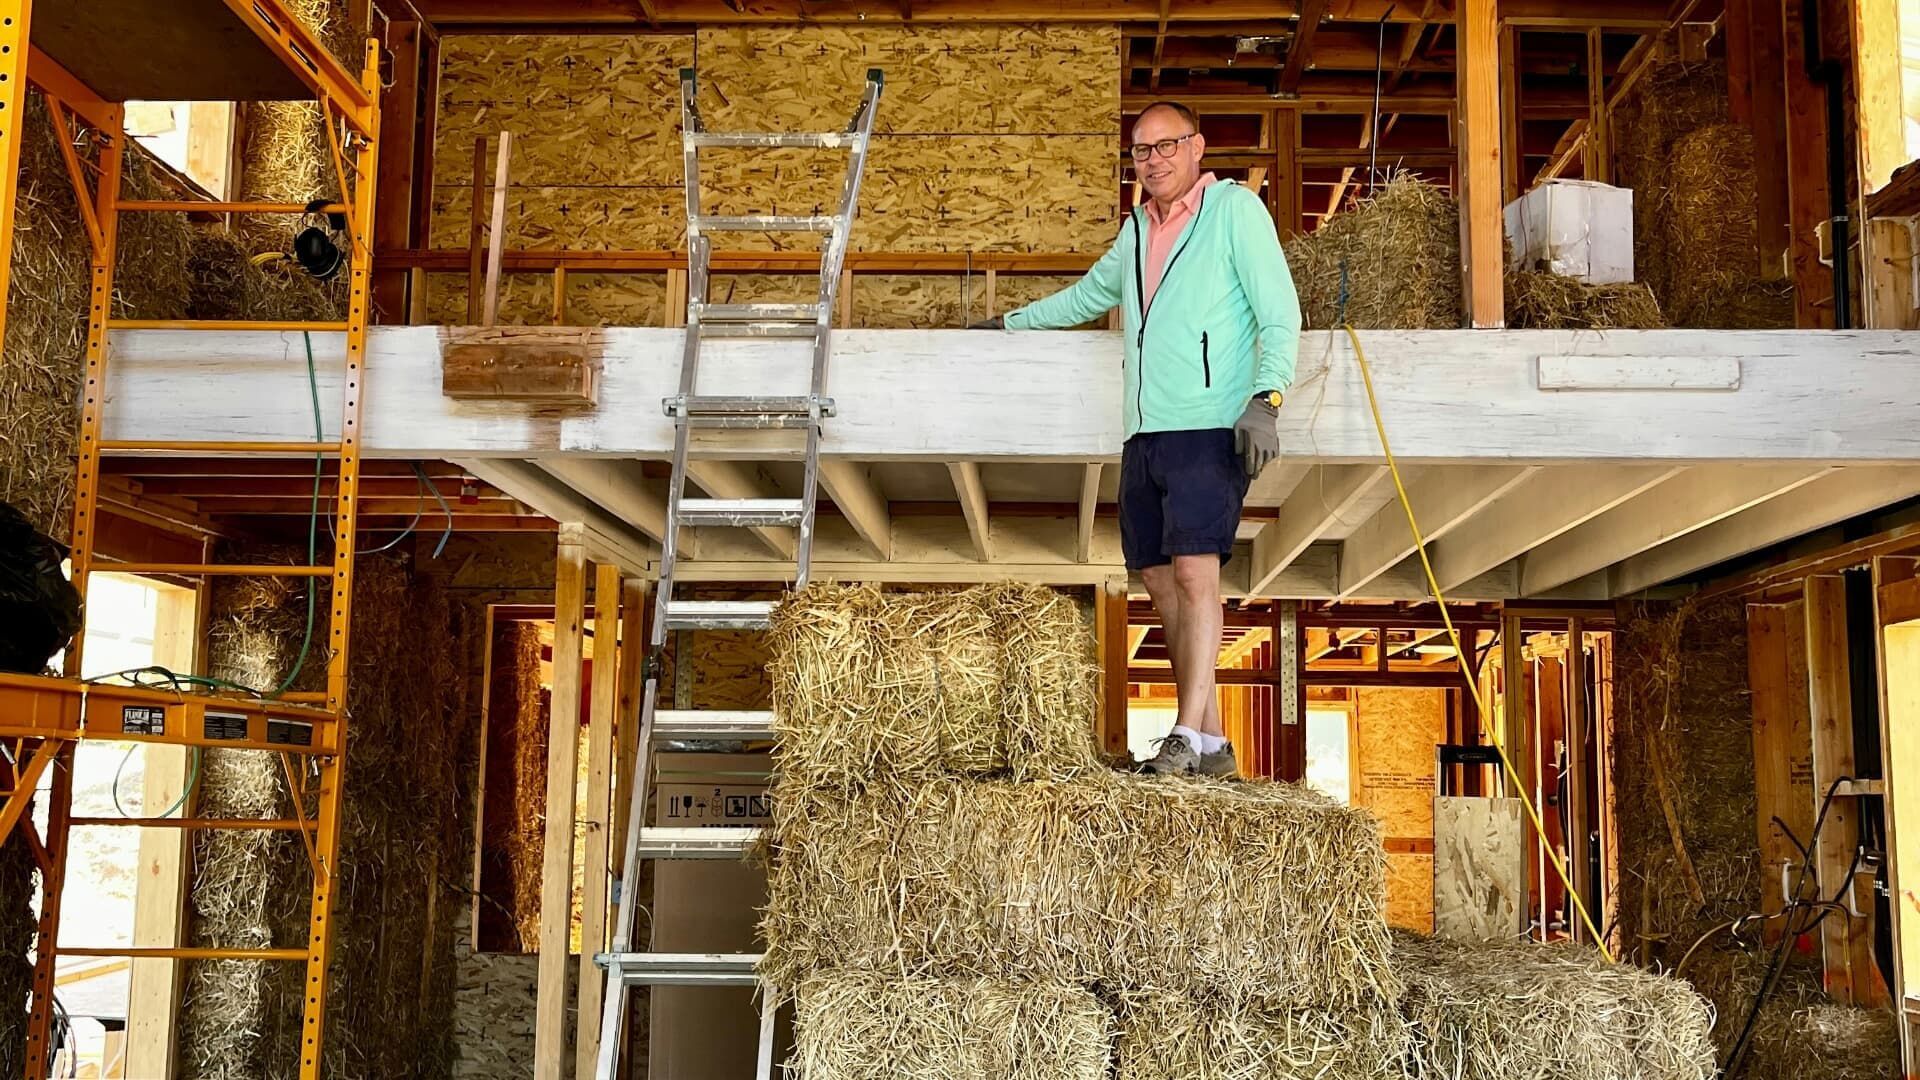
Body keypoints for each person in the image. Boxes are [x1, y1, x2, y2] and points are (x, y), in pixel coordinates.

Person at [973, 100, 1300, 777]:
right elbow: (1088, 297)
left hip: (1209, 421)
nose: (1153, 160)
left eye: (1165, 146)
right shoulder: (1135, 232)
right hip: (1143, 430)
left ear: (1197, 147)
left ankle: (1183, 731)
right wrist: (1008, 327)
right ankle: (1211, 742)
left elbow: (1279, 309)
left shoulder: (1233, 213)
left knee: (1194, 570)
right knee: (1155, 576)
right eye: (1141, 151)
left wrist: (1266, 399)